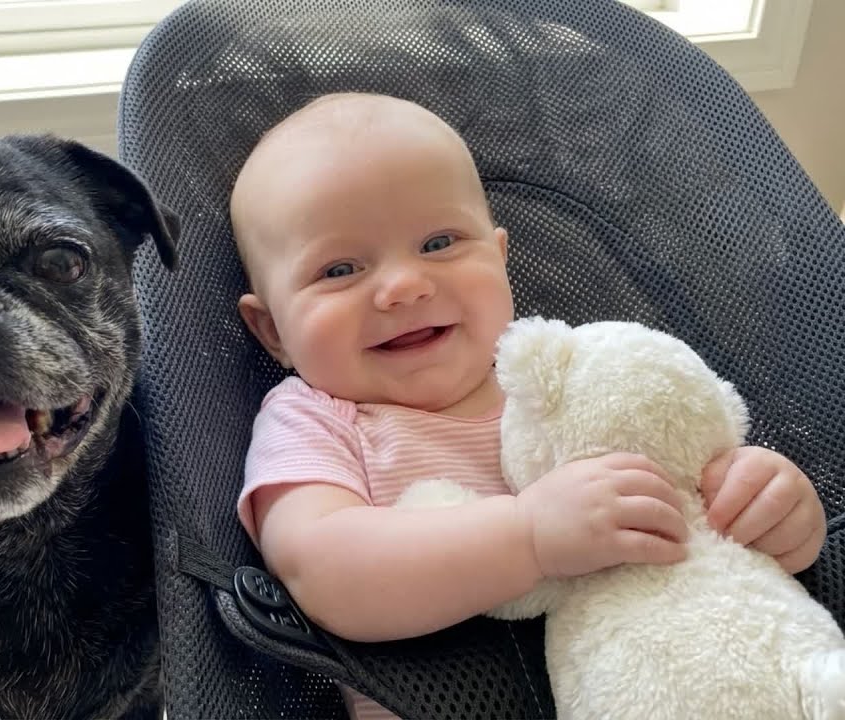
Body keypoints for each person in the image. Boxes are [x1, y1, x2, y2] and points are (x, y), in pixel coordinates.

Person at [229, 91, 828, 720]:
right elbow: (325, 572)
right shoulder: (314, 417)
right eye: (340, 269)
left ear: (499, 256)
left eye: (438, 243)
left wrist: (772, 508)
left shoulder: (572, 377)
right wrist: (529, 537)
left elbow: (693, 495)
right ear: (273, 332)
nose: (404, 286)